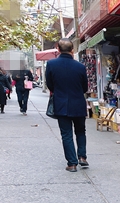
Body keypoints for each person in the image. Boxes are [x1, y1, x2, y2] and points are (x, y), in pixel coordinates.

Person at [46, 38, 89, 172]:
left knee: (66, 134)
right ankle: (82, 157)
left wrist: (59, 92)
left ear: (58, 49)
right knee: (80, 131)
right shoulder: (80, 66)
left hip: (61, 103)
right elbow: (85, 88)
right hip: (78, 103)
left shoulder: (51, 64)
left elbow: (50, 85)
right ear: (72, 50)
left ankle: (72, 164)